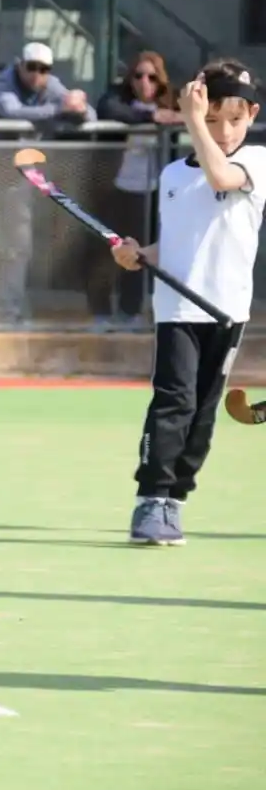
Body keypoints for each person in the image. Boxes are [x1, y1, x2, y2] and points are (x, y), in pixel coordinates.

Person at [110, 60, 263, 546]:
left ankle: (175, 500)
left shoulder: (255, 162)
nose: (222, 132)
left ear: (252, 115)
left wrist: (191, 120)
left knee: (203, 413)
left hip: (228, 311)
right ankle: (151, 499)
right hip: (179, 310)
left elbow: (221, 178)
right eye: (211, 118)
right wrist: (138, 255)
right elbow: (175, 245)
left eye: (233, 121)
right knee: (173, 403)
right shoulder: (175, 174)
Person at [0, 41, 97, 323]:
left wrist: (78, 107)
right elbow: (12, 111)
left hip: (18, 177)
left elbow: (91, 116)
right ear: (19, 64)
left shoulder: (51, 86)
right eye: (31, 67)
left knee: (18, 246)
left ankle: (8, 310)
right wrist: (61, 110)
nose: (37, 75)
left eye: (44, 69)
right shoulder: (3, 83)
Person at [92, 51, 182, 332]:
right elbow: (109, 109)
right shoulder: (118, 98)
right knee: (105, 250)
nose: (145, 82)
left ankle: (130, 311)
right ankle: (100, 313)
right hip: (114, 185)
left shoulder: (170, 101)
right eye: (139, 76)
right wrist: (152, 115)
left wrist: (169, 115)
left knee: (139, 252)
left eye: (152, 77)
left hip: (151, 189)